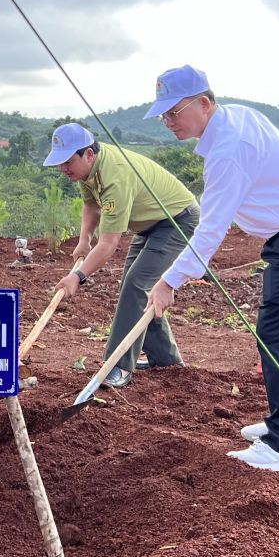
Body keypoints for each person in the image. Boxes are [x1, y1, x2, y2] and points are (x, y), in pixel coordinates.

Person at [142, 66, 279, 473]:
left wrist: (169, 281)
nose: (168, 122)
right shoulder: (238, 118)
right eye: (163, 115)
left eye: (174, 112)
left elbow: (210, 231)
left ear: (204, 103)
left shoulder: (228, 151)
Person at [46, 122, 200, 389]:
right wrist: (83, 240)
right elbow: (91, 204)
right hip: (149, 224)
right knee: (136, 285)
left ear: (89, 155)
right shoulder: (86, 172)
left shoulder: (114, 176)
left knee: (137, 284)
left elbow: (108, 245)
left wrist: (77, 277)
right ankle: (165, 358)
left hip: (177, 221)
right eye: (59, 163)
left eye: (68, 161)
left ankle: (117, 366)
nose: (63, 169)